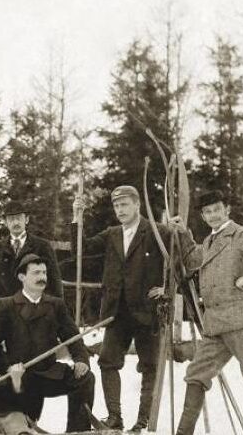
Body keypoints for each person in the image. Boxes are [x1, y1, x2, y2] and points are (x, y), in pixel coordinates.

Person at [71, 185, 188, 431]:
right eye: (116, 205)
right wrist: (76, 217)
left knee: (150, 367)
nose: (120, 210)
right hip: (116, 313)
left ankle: (143, 420)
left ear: (137, 205)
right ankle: (115, 417)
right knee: (107, 362)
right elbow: (79, 250)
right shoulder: (112, 233)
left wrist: (167, 290)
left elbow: (180, 261)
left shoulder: (158, 232)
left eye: (125, 204)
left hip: (148, 311)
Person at [173, 190, 243, 435]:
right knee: (196, 374)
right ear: (202, 215)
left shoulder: (239, 234)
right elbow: (195, 258)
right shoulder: (210, 241)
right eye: (207, 212)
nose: (213, 215)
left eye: (217, 209)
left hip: (242, 320)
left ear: (227, 209)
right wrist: (182, 233)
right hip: (215, 325)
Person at [0, 254, 95, 433]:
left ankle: (77, 431)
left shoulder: (56, 305)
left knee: (85, 379)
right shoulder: (7, 305)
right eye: (36, 273)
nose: (42, 277)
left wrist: (81, 360)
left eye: (44, 273)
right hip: (21, 378)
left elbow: (73, 337)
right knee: (25, 425)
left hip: (49, 374)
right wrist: (8, 368)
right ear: (22, 277)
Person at [0, 201, 63, 305]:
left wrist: (52, 309)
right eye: (11, 219)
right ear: (6, 223)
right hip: (5, 307)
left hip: (34, 307)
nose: (15, 222)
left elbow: (54, 280)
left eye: (19, 218)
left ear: (26, 220)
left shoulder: (42, 247)